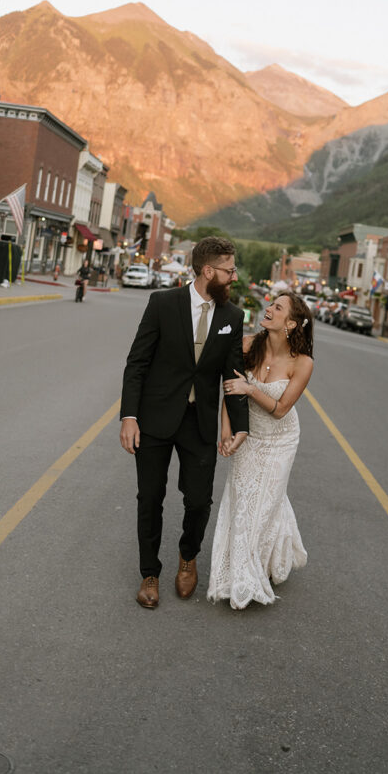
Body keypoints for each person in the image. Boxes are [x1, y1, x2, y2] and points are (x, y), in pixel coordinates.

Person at [119, 236, 249, 609]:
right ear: (208, 271)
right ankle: (150, 572)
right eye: (229, 270)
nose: (233, 277)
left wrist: (239, 426)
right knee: (151, 498)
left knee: (198, 501)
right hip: (155, 417)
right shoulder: (163, 304)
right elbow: (137, 363)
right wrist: (129, 416)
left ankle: (188, 557)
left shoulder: (233, 317)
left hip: (200, 423)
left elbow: (234, 375)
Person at [207, 291, 314, 610]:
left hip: (281, 439)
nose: (268, 309)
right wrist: (226, 428)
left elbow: (281, 409)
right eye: (271, 304)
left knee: (265, 501)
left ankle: (251, 571)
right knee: (243, 499)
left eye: (277, 308)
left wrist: (251, 388)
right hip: (249, 435)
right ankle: (238, 569)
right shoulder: (246, 345)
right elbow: (230, 389)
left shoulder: (303, 363)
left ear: (291, 323)